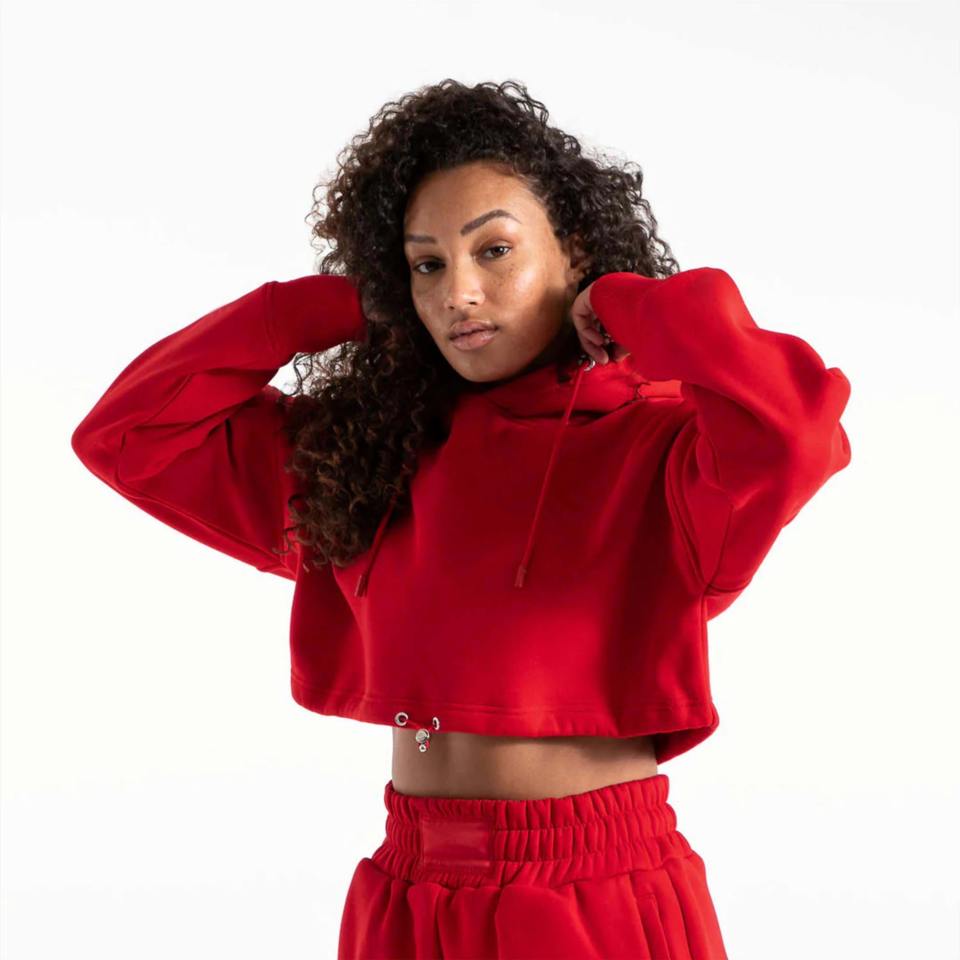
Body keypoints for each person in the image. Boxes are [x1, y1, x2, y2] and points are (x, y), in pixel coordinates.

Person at [70, 78, 852, 959]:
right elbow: (128, 434)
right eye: (427, 265)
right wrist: (323, 308)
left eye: (495, 250)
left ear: (574, 248)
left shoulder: (659, 446)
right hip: (407, 891)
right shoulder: (367, 458)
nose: (459, 293)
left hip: (587, 891)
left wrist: (625, 301)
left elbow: (795, 430)